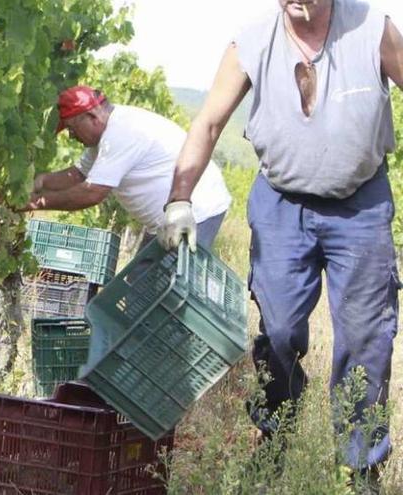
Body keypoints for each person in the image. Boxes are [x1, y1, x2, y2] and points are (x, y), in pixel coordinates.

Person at [158, 0, 403, 480]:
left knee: (365, 339)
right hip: (281, 203)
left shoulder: (374, 30)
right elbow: (208, 122)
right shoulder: (251, 41)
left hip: (360, 204)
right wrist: (179, 199)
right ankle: (276, 436)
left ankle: (361, 468)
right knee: (280, 333)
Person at [21, 85, 231, 254]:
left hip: (196, 211)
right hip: (161, 221)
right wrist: (41, 181)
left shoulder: (121, 132)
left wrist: (34, 202)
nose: (72, 137)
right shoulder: (102, 140)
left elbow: (92, 193)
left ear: (93, 116)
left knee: (168, 296)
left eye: (72, 129)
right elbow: (77, 175)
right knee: (136, 291)